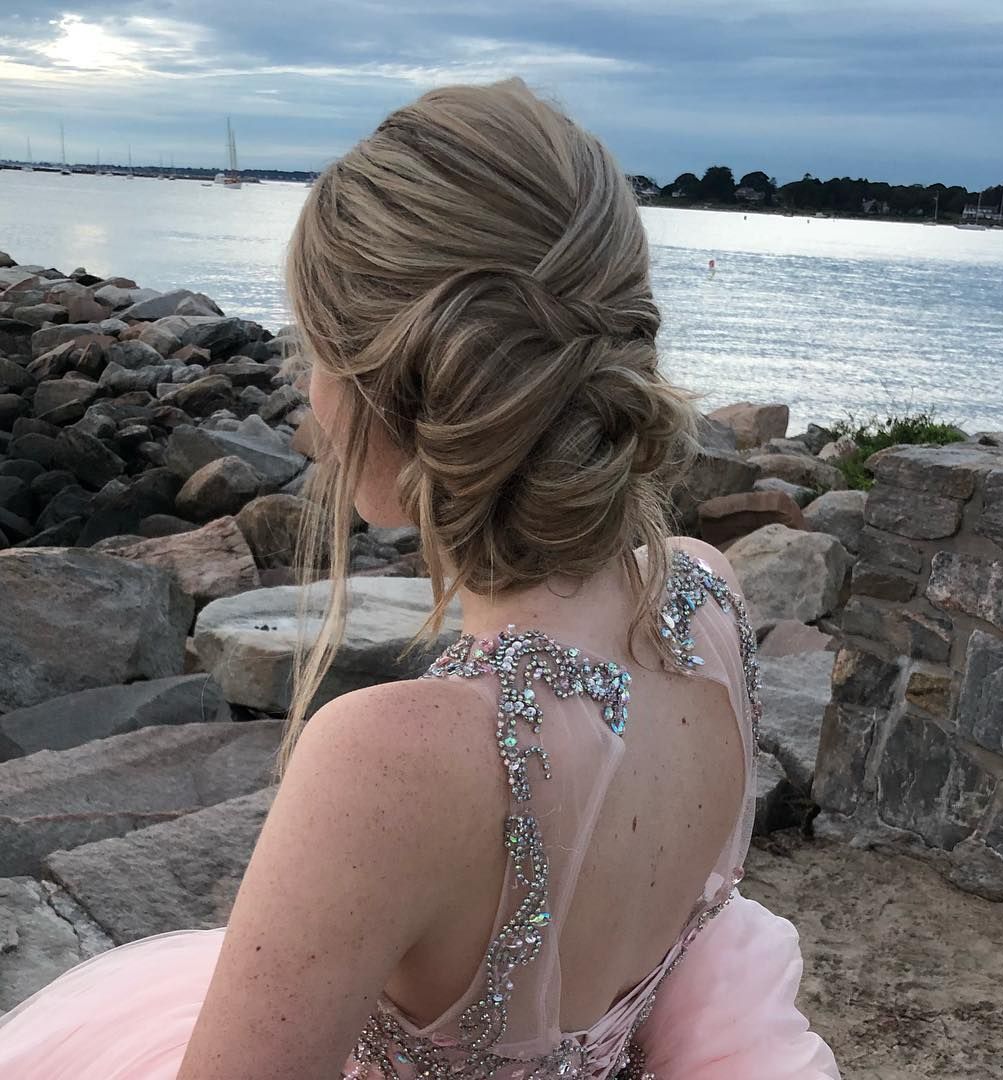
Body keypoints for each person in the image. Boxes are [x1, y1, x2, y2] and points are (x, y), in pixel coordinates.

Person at [0, 79, 839, 1079]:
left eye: (316, 349)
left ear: (400, 387)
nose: (306, 397)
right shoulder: (706, 595)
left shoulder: (387, 762)